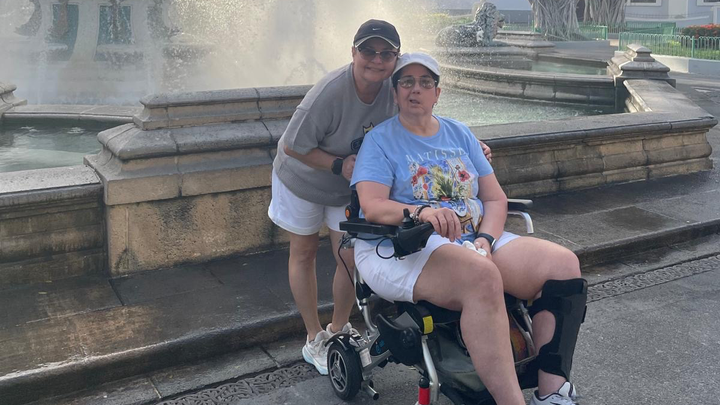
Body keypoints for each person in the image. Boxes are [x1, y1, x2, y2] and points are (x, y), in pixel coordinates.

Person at [351, 52, 585, 405]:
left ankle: (552, 391)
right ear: (395, 92)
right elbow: (372, 205)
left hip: (473, 239)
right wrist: (422, 212)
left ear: (437, 93)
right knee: (481, 276)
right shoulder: (380, 140)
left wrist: (486, 240)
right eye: (407, 82)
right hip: (405, 247)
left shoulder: (459, 132)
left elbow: (494, 199)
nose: (416, 89)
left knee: (563, 264)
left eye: (425, 82)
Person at [269, 20, 492, 376]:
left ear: (396, 58)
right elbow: (292, 146)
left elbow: (423, 113)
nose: (377, 59)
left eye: (386, 53)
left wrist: (469, 144)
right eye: (368, 51)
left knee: (348, 254)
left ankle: (338, 327)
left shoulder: (396, 85)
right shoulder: (329, 93)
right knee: (304, 251)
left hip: (351, 182)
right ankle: (314, 337)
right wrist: (337, 164)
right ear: (353, 52)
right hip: (303, 177)